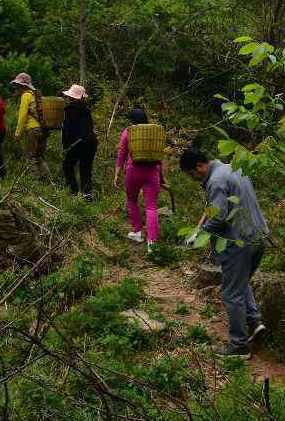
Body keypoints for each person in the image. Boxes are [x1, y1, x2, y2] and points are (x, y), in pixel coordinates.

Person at [180, 146, 268, 359]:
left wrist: (200, 236)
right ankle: (254, 321)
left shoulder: (216, 181)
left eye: (192, 174)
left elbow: (219, 218)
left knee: (231, 293)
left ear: (200, 166)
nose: (193, 179)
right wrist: (198, 227)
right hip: (259, 237)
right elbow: (213, 208)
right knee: (241, 281)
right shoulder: (232, 169)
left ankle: (238, 347)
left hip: (239, 242)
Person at [114, 107, 165, 251]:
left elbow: (121, 154)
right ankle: (152, 243)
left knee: (131, 200)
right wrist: (161, 177)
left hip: (133, 171)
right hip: (152, 172)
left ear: (132, 120)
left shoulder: (128, 132)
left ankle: (137, 232)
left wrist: (117, 174)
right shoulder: (154, 134)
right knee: (152, 206)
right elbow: (160, 158)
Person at [61, 84, 97, 198]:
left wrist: (66, 147)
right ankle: (87, 194)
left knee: (67, 165)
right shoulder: (87, 110)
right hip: (91, 142)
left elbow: (67, 130)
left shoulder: (69, 110)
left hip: (77, 142)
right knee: (86, 168)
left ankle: (73, 192)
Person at [10, 72, 49, 173]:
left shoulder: (26, 96)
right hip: (43, 129)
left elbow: (22, 116)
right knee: (40, 158)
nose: (16, 88)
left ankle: (35, 182)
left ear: (22, 86)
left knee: (31, 158)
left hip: (32, 129)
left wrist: (17, 134)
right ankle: (49, 181)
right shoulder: (37, 95)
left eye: (17, 86)